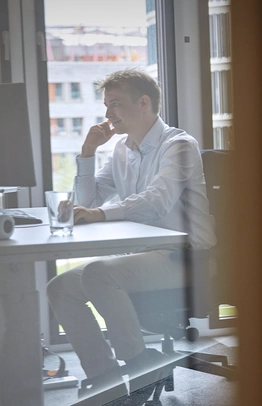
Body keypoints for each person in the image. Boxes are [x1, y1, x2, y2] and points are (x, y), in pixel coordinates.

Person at [46, 68, 216, 401]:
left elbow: (156, 200)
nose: (108, 114)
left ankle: (142, 366)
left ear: (143, 103)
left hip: (182, 256)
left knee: (98, 274)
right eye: (106, 105)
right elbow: (88, 200)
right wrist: (87, 152)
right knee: (60, 287)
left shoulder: (178, 145)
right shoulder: (122, 150)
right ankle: (105, 377)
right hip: (144, 255)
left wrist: (98, 214)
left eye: (116, 104)